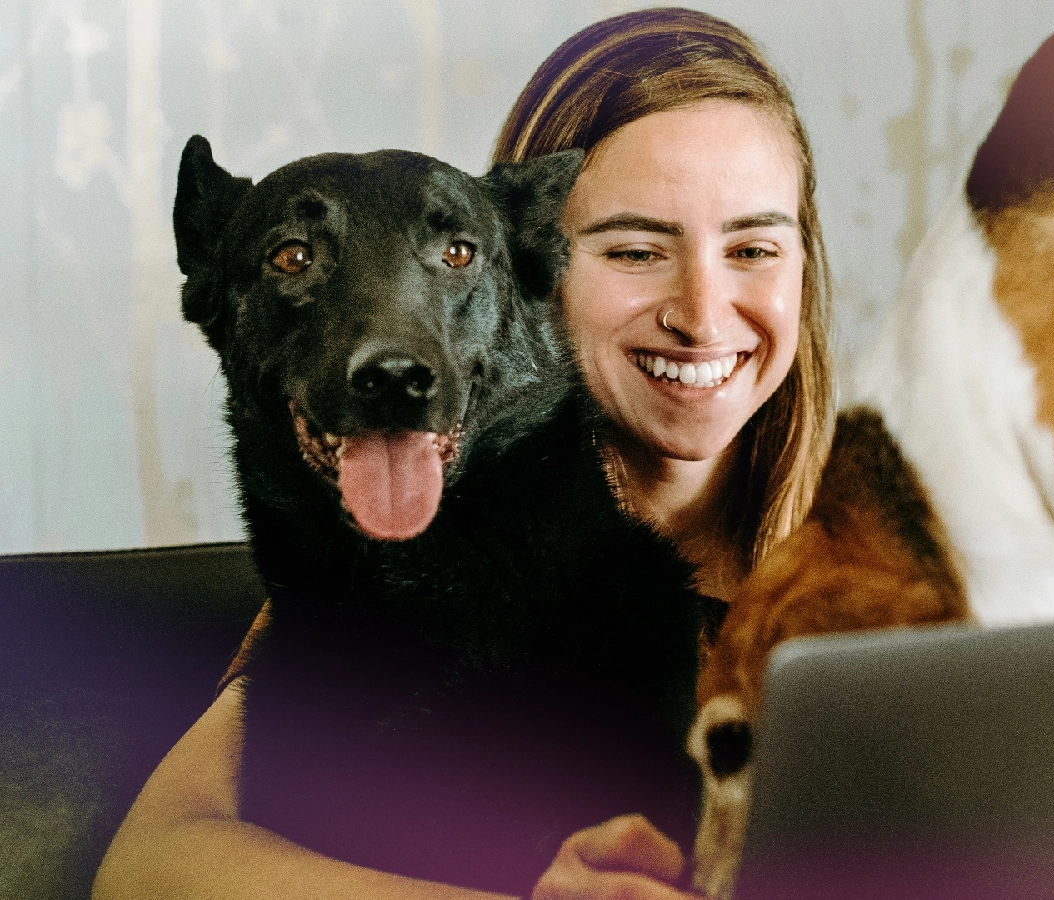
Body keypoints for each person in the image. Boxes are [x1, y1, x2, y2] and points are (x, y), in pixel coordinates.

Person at [92, 8, 834, 899]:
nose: (702, 312)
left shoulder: (919, 578)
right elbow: (152, 864)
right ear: (533, 267)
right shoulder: (376, 570)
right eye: (635, 250)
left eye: (754, 246)